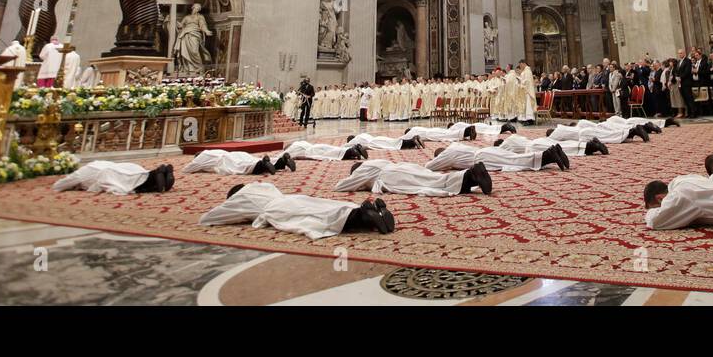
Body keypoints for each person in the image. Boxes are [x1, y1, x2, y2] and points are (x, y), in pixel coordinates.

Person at [200, 182, 396, 238]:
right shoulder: (262, 186)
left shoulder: (239, 200)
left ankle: (363, 215)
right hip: (290, 198)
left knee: (316, 219)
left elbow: (211, 217)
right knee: (322, 205)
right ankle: (368, 211)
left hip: (279, 210)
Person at [334, 158, 493, 197]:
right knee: (433, 179)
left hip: (393, 176)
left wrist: (357, 180)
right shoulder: (376, 161)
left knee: (434, 184)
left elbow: (340, 186)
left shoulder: (363, 169)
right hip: (402, 167)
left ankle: (470, 174)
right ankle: (472, 178)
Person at [426, 140, 571, 173]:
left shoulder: (447, 154)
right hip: (487, 151)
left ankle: (549, 155)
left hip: (483, 159)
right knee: (515, 159)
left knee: (516, 162)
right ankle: (552, 152)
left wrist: (439, 161)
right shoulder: (455, 145)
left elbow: (430, 166)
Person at [53, 160, 175, 194]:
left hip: (109, 174)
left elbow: (61, 185)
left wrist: (57, 185)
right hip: (121, 166)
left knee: (127, 182)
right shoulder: (96, 162)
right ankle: (158, 174)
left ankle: (157, 177)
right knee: (136, 174)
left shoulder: (81, 172)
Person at [184, 149, 295, 175]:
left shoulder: (201, 157)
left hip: (224, 160)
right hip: (235, 153)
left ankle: (263, 164)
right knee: (251, 159)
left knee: (242, 167)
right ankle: (281, 161)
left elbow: (187, 169)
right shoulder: (213, 150)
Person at [285, 140, 369, 161]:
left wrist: (297, 158)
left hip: (312, 151)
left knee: (331, 154)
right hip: (317, 146)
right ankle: (354, 148)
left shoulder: (291, 149)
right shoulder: (300, 142)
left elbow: (299, 156)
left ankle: (351, 151)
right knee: (334, 149)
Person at [345, 131, 426, 151]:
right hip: (378, 138)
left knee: (394, 145)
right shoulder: (362, 134)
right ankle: (414, 140)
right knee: (394, 142)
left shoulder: (355, 140)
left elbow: (346, 146)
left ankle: (413, 141)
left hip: (375, 142)